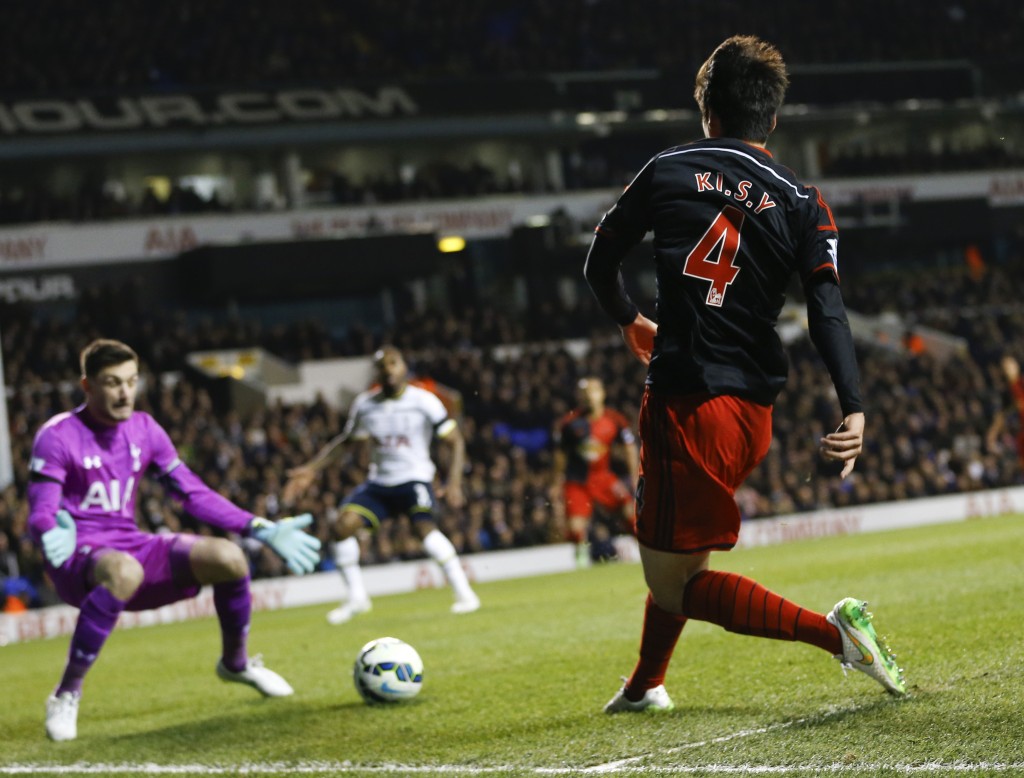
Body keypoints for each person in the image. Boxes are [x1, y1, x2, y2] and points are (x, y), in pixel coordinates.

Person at [582, 35, 906, 713]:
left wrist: (629, 320)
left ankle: (837, 635)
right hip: (753, 414)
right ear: (773, 119)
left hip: (687, 404)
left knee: (674, 584)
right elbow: (827, 306)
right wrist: (854, 404)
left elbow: (599, 264)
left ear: (708, 112)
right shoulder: (801, 198)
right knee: (681, 556)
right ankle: (645, 685)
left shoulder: (667, 169)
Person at [28, 339, 322, 741]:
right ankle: (66, 693)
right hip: (77, 554)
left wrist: (258, 526)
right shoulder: (58, 436)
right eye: (112, 382)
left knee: (229, 557)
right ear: (87, 386)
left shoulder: (145, 428)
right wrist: (49, 534)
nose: (124, 392)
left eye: (131, 381)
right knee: (124, 569)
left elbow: (192, 493)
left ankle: (236, 664)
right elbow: (41, 510)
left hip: (129, 544)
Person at [284, 346, 479, 624]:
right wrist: (311, 469)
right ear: (376, 372)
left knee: (425, 530)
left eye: (393, 363)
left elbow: (455, 441)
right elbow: (347, 442)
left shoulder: (424, 401)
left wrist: (455, 482)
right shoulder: (366, 404)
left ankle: (465, 594)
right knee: (342, 526)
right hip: (380, 483)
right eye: (382, 365)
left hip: (414, 478)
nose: (388, 369)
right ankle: (357, 598)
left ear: (403, 367)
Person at [552, 376, 639, 567]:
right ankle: (581, 561)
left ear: (602, 394)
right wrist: (557, 482)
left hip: (603, 477)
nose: (589, 396)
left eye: (592, 391)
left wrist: (634, 476)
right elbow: (560, 455)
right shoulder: (569, 423)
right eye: (584, 393)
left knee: (630, 514)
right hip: (577, 481)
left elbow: (629, 447)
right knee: (575, 528)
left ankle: (643, 549)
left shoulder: (615, 420)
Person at [986, 354, 1024, 471]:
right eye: (1005, 366)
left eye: (1010, 364)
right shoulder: (1006, 392)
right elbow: (1000, 416)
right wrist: (991, 437)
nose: (1008, 368)